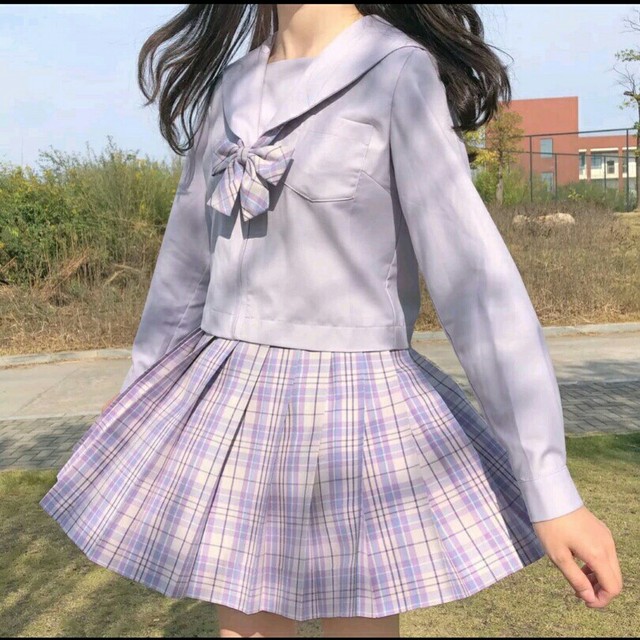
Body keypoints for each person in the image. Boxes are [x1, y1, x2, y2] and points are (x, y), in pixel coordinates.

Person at [40, 4, 622, 638]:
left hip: (355, 414)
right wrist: (141, 394)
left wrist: (549, 484)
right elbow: (184, 272)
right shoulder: (231, 91)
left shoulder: (395, 72)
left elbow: (475, 284)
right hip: (234, 407)